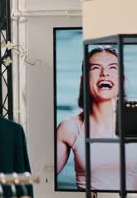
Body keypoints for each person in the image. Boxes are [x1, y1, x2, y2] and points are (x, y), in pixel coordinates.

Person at [56, 47, 137, 190]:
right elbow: (43, 177)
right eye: (95, 68)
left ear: (122, 79)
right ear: (84, 79)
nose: (104, 73)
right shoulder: (70, 128)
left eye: (113, 68)